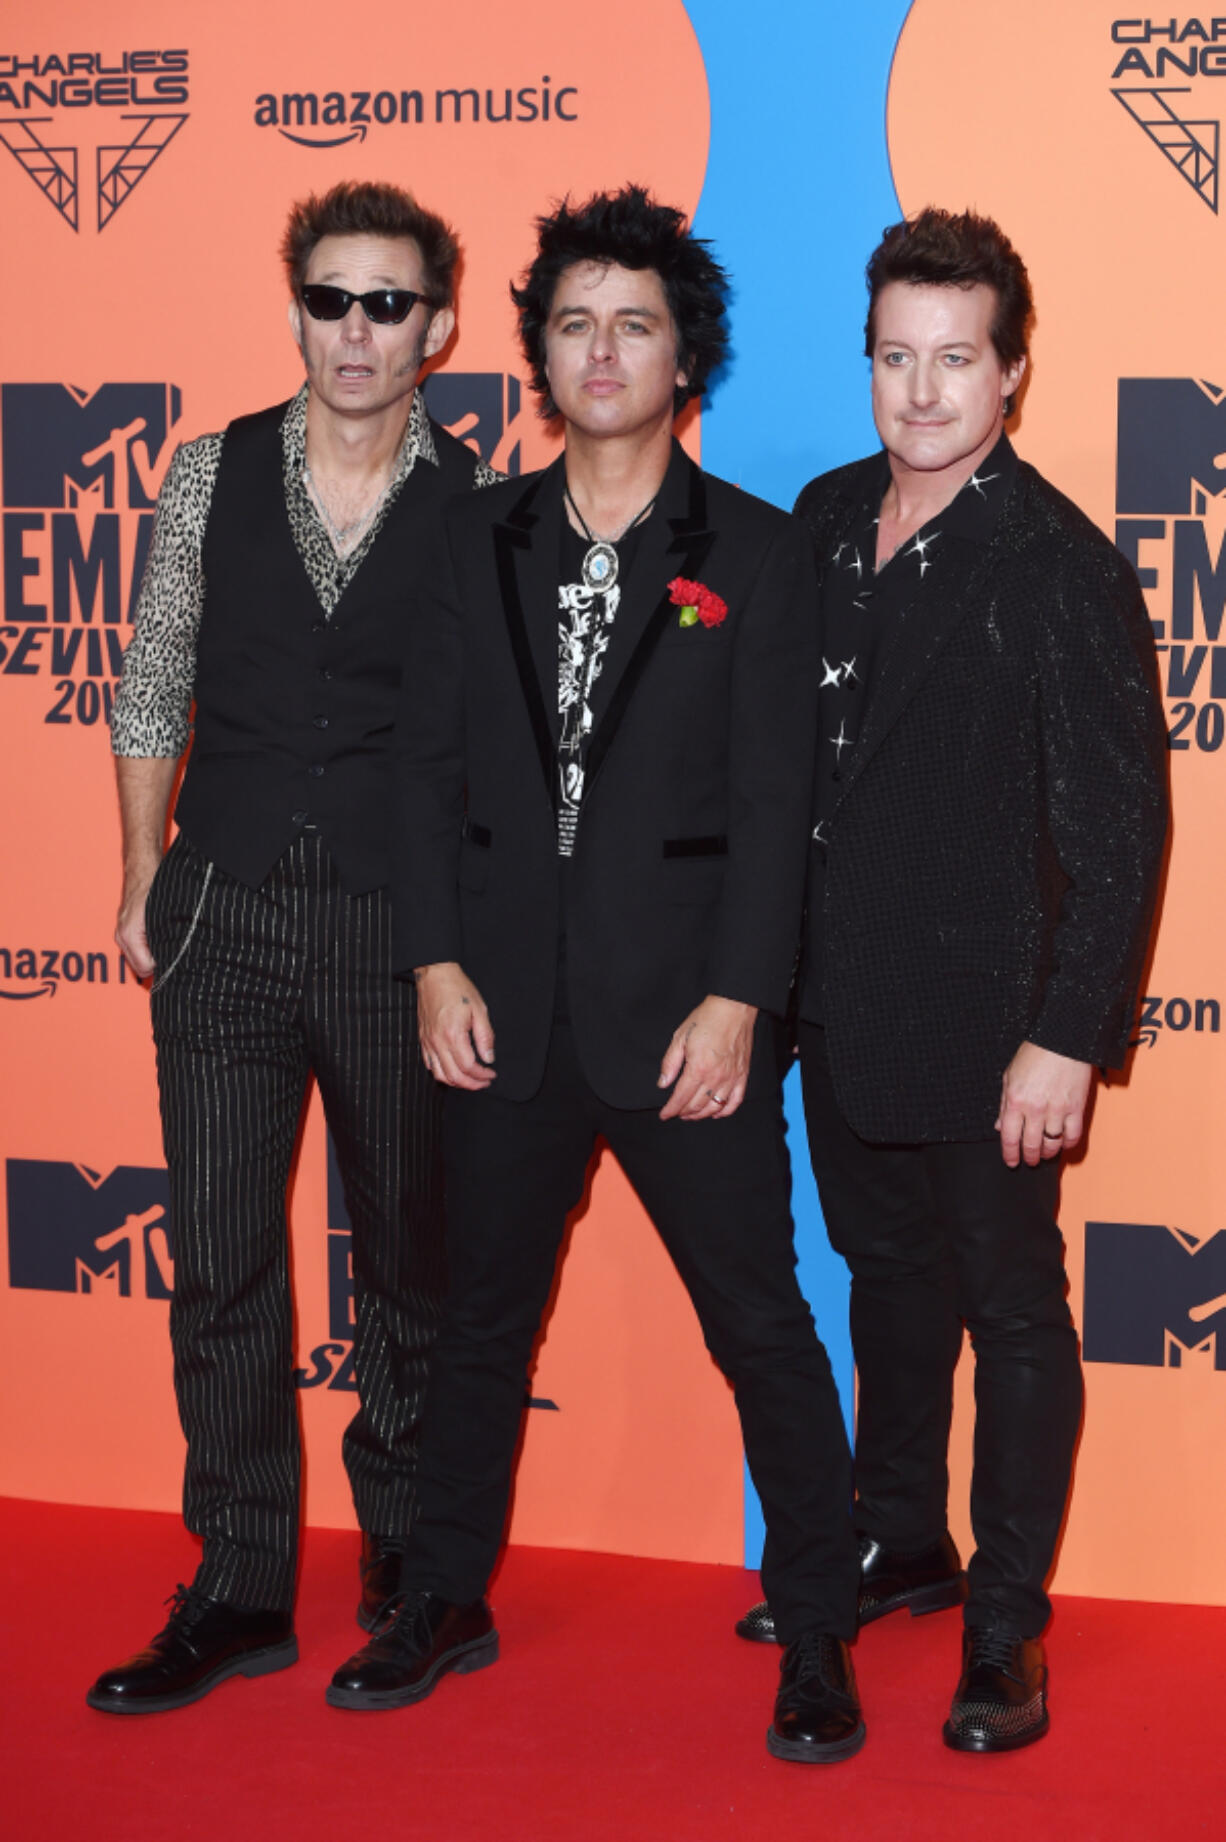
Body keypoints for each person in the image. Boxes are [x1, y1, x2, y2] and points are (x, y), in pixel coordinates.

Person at [326, 186, 864, 1764]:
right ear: (536, 356)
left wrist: (736, 1001)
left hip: (683, 1018)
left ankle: (818, 1631)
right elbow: (420, 772)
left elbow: (777, 814)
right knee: (471, 1322)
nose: (602, 349)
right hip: (497, 1009)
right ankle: (442, 1594)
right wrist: (431, 960)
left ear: (682, 353)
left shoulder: (754, 556)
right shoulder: (464, 532)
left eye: (633, 322)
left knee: (760, 1324)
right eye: (573, 322)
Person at [735, 207, 1168, 1751]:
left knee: (1011, 1313)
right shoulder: (820, 516)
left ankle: (1004, 1628)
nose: (921, 393)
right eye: (895, 359)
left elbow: (1118, 832)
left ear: (1011, 372)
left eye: (954, 361)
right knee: (885, 1289)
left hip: (992, 1030)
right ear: (869, 362)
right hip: (837, 1018)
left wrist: (1063, 1035)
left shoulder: (1053, 564)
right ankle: (892, 1535)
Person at [88, 181, 498, 1715]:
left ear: (437, 328)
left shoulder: (477, 509)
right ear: (295, 314)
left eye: (387, 304)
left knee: (406, 1260)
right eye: (331, 299)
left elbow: (489, 750)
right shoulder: (204, 474)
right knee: (223, 1261)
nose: (356, 331)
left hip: (404, 932)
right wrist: (142, 874)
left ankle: (400, 1548)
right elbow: (150, 681)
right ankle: (242, 1576)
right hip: (225, 909)